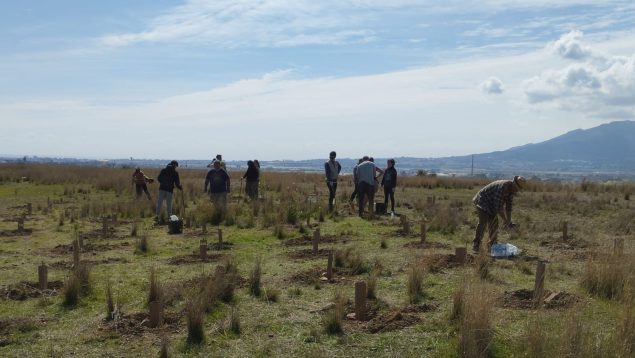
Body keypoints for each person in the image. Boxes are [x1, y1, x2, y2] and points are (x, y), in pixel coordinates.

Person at [472, 175, 527, 252]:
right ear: (514, 185)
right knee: (483, 222)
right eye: (517, 189)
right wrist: (505, 220)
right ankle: (476, 244)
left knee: (494, 224)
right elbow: (499, 208)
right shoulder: (502, 187)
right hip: (482, 200)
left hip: (491, 203)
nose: (517, 191)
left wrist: (509, 221)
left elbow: (509, 207)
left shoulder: (511, 191)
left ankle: (492, 245)